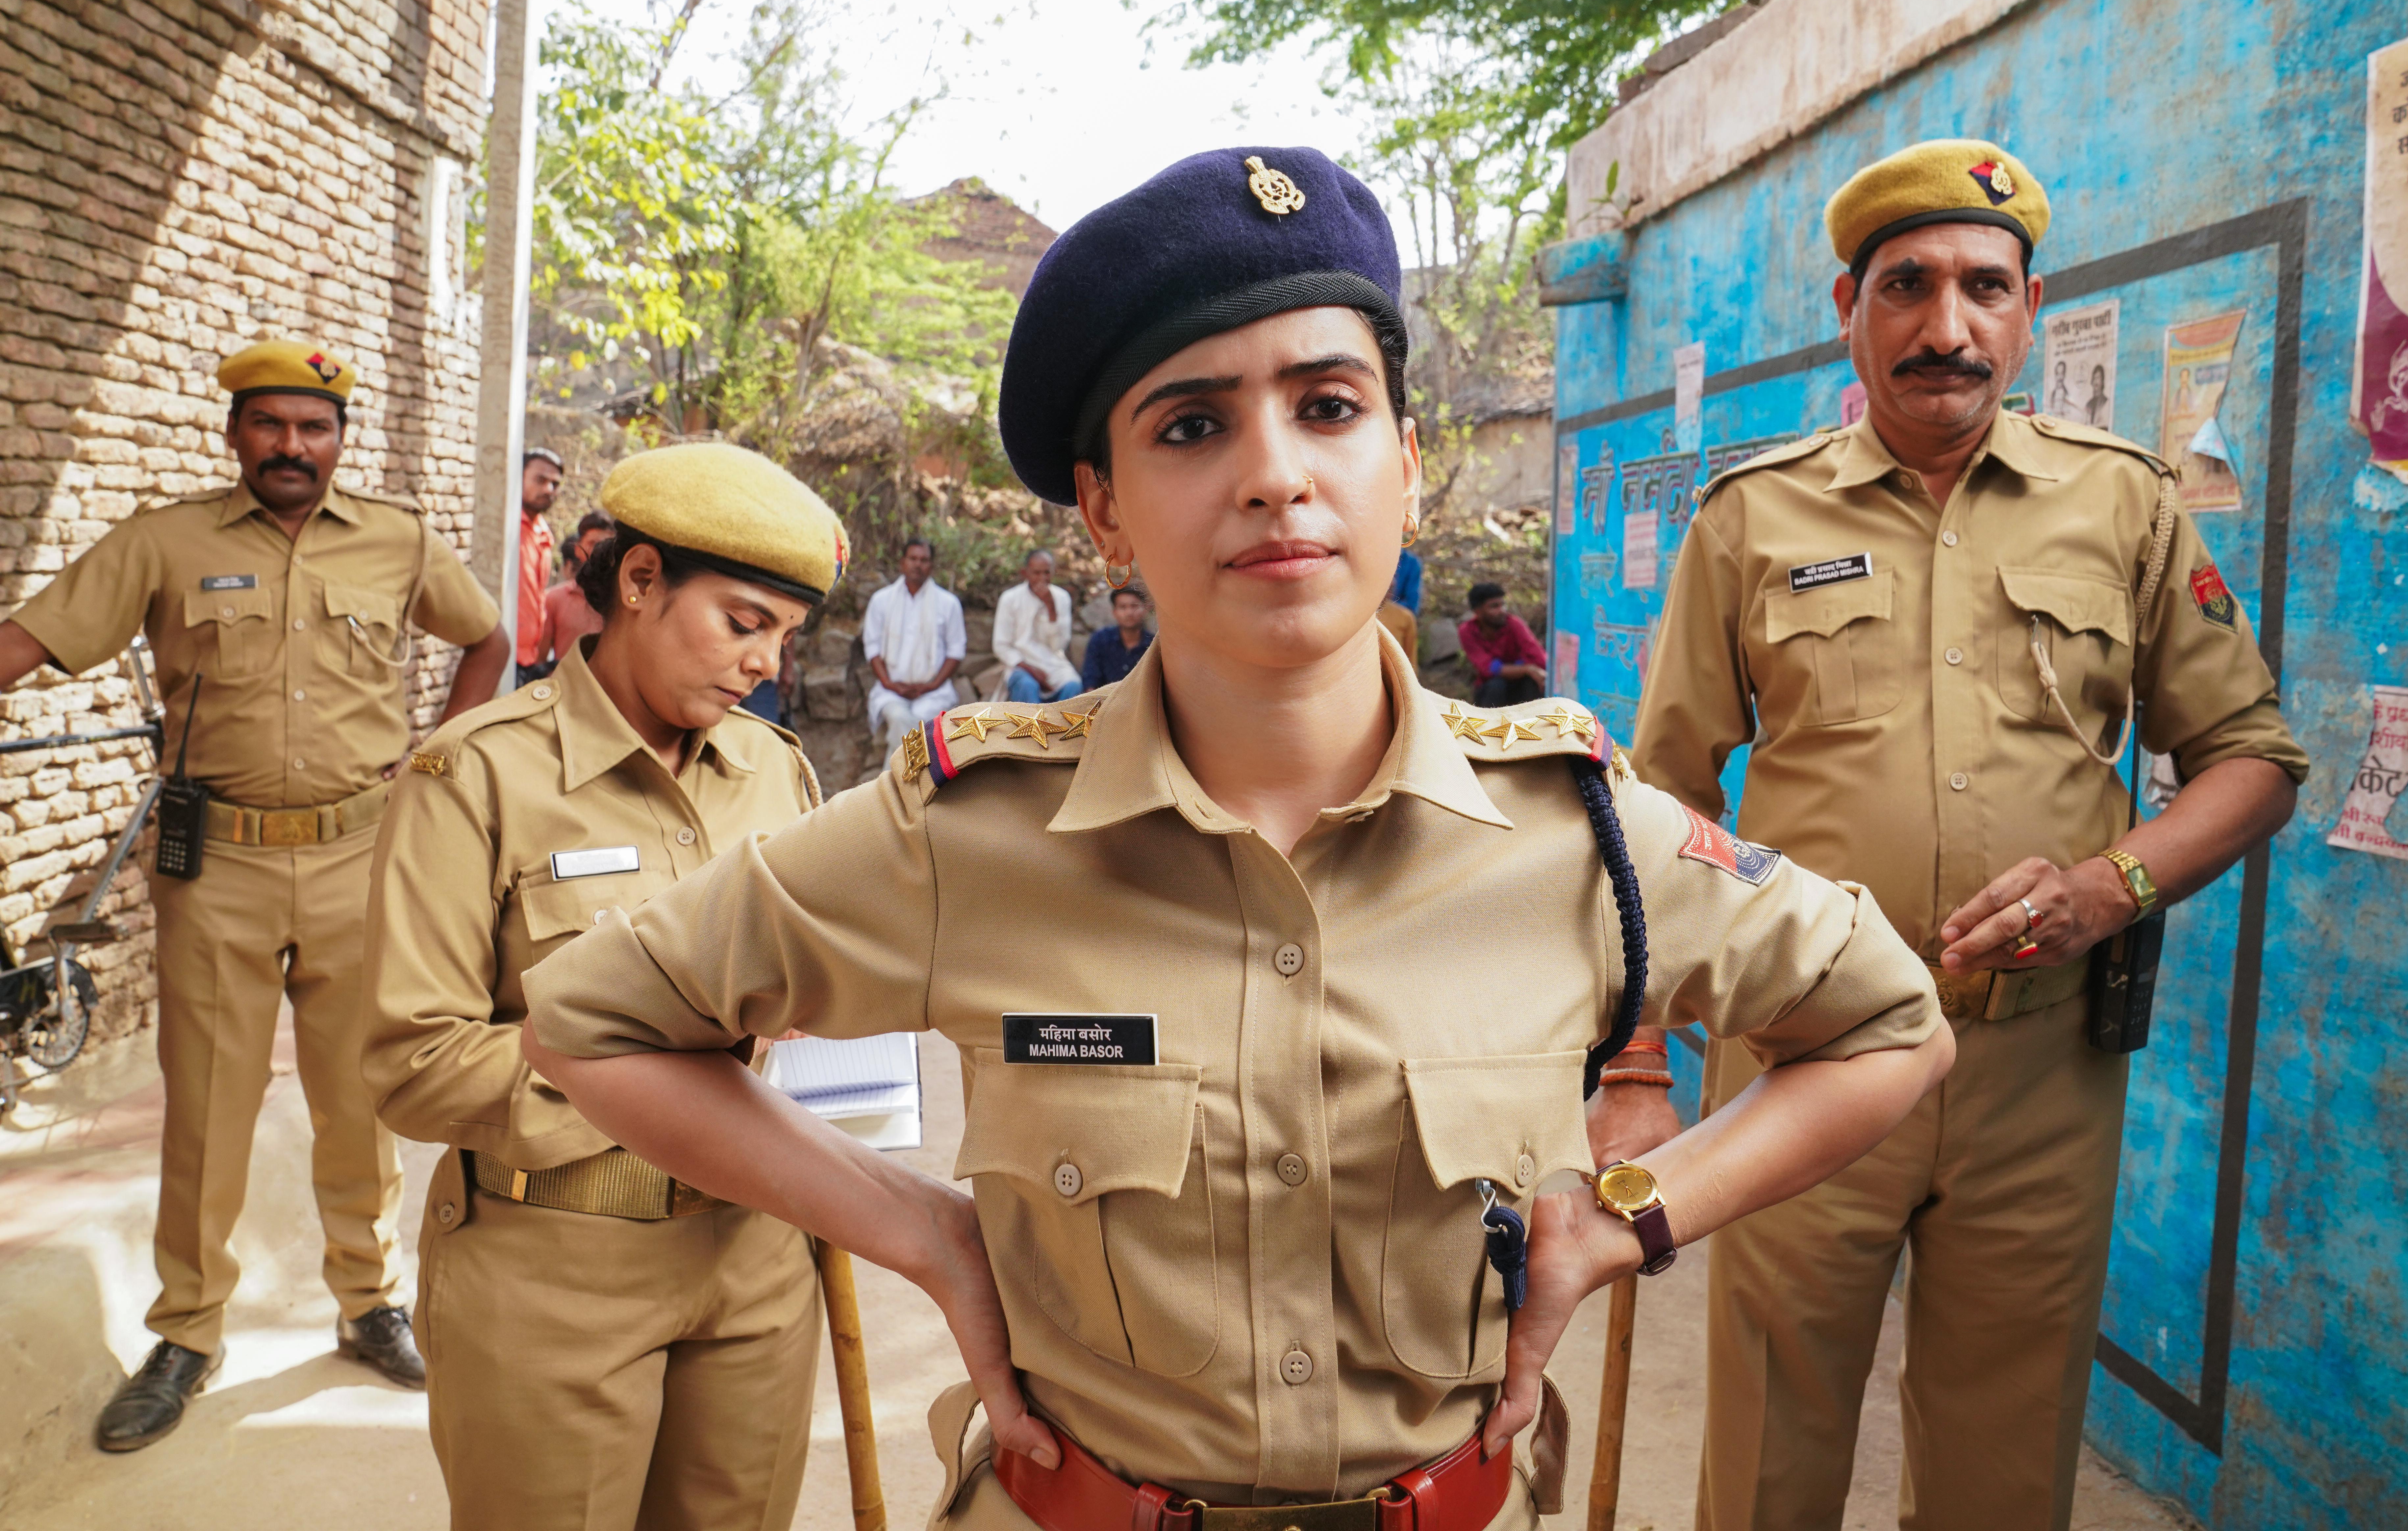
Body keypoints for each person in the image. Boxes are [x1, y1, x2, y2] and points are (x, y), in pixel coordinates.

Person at [512, 144, 1954, 1531]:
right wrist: (918, 1226)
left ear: (1401, 455)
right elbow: (596, 1017)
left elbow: (1891, 1024)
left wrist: (1622, 1218)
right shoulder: (969, 831)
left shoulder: (1578, 831)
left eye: (1326, 406)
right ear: (1105, 513)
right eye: (1192, 425)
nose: (1274, 473)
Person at [1604, 139, 2311, 1531]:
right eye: (1909, 287)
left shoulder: (2126, 502)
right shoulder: (1750, 518)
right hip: (1804, 1055)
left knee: (2006, 1456)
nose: (1948, 326)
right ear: (1848, 307)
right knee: (1767, 1450)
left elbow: (2252, 760)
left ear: (2029, 306)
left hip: (2041, 1070)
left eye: (1984, 287)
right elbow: (1663, 793)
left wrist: (2112, 887)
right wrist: (1636, 1055)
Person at [0, 339, 510, 1450]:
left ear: (340, 440)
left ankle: (370, 1301)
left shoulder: (397, 540)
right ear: (233, 434)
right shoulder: (164, 541)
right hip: (216, 869)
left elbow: (487, 638)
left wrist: (435, 757)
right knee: (208, 1107)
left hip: (360, 862)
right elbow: (32, 640)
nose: (292, 446)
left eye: (313, 427)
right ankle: (187, 1330)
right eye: (270, 425)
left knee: (360, 1097)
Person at [363, 442, 843, 1530]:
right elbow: (412, 1062)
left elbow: (819, 983)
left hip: (761, 1253)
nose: (765, 661)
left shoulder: (778, 770)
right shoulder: (473, 775)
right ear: (637, 582)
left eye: (785, 635)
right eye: (741, 621)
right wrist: (655, 1055)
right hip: (555, 1265)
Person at [861, 537, 966, 769]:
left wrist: (931, 686)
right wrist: (890, 684)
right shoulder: (882, 600)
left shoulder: (948, 604)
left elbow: (956, 651)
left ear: (932, 565)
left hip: (933, 692)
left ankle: (891, 789)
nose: (918, 565)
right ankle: (911, 788)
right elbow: (872, 647)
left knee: (921, 716)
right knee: (900, 718)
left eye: (924, 560)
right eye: (913, 559)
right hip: (891, 691)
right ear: (902, 563)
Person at [993, 548, 1081, 703]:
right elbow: (1001, 646)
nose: (1042, 578)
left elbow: (1059, 646)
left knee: (1074, 686)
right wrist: (1032, 671)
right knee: (1027, 685)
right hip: (1022, 666)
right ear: (1025, 573)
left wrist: (1051, 606)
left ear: (1054, 572)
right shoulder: (1010, 599)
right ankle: (1035, 728)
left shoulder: (1062, 598)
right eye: (1037, 573)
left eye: (1047, 573)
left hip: (1054, 665)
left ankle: (1061, 728)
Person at [535, 508, 614, 668]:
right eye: (592, 544)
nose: (599, 551)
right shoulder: (555, 599)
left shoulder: (625, 602)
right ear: (578, 549)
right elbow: (539, 662)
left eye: (605, 545)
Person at [514, 448, 564, 687]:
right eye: (540, 480)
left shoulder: (544, 534)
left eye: (555, 484)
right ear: (518, 476)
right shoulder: (505, 524)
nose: (548, 490)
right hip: (502, 654)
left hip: (528, 660)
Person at [1459, 582, 1547, 707]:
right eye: (1495, 607)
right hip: (1491, 690)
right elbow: (1489, 669)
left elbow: (1539, 658)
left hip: (1520, 687)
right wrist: (1528, 669)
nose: (1502, 611)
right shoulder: (1467, 631)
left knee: (1534, 683)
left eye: (1503, 605)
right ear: (1478, 612)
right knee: (1497, 686)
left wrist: (1531, 670)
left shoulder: (1515, 624)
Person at [1076, 581, 1152, 691]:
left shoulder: (1152, 645)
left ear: (1145, 610)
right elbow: (1090, 681)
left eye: (1134, 606)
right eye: (1123, 607)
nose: (1129, 613)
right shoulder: (1100, 640)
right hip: (1104, 702)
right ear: (1114, 612)